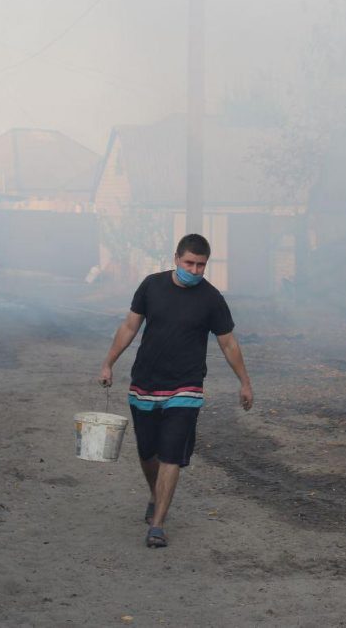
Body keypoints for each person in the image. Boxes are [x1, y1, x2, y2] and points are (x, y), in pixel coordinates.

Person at [98, 234, 253, 549]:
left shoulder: (211, 299)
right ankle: (156, 496)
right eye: (189, 263)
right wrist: (108, 363)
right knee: (147, 452)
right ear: (176, 259)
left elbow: (228, 342)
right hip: (144, 383)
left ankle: (157, 525)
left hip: (186, 387)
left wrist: (245, 382)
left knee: (171, 454)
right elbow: (130, 326)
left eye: (201, 265)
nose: (195, 271)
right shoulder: (151, 286)